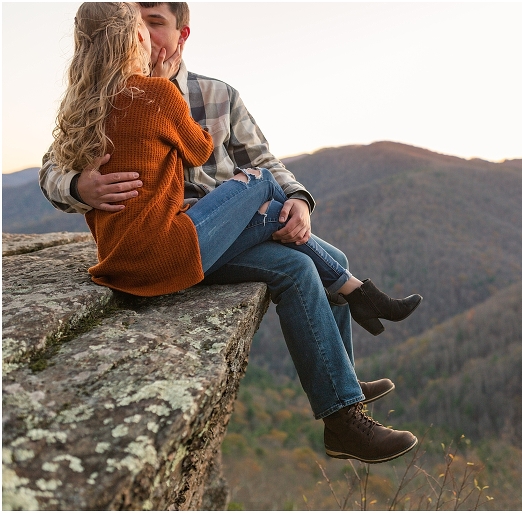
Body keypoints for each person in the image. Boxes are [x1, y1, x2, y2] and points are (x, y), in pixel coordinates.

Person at [42, 1, 420, 464]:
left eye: (154, 24)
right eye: (137, 26)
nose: (144, 36)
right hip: (177, 242)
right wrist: (79, 184)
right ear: (124, 37)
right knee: (308, 261)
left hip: (222, 234)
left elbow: (264, 160)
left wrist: (298, 200)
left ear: (181, 35)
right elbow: (53, 168)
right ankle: (347, 384)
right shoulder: (114, 94)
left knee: (303, 258)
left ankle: (341, 388)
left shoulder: (218, 95)